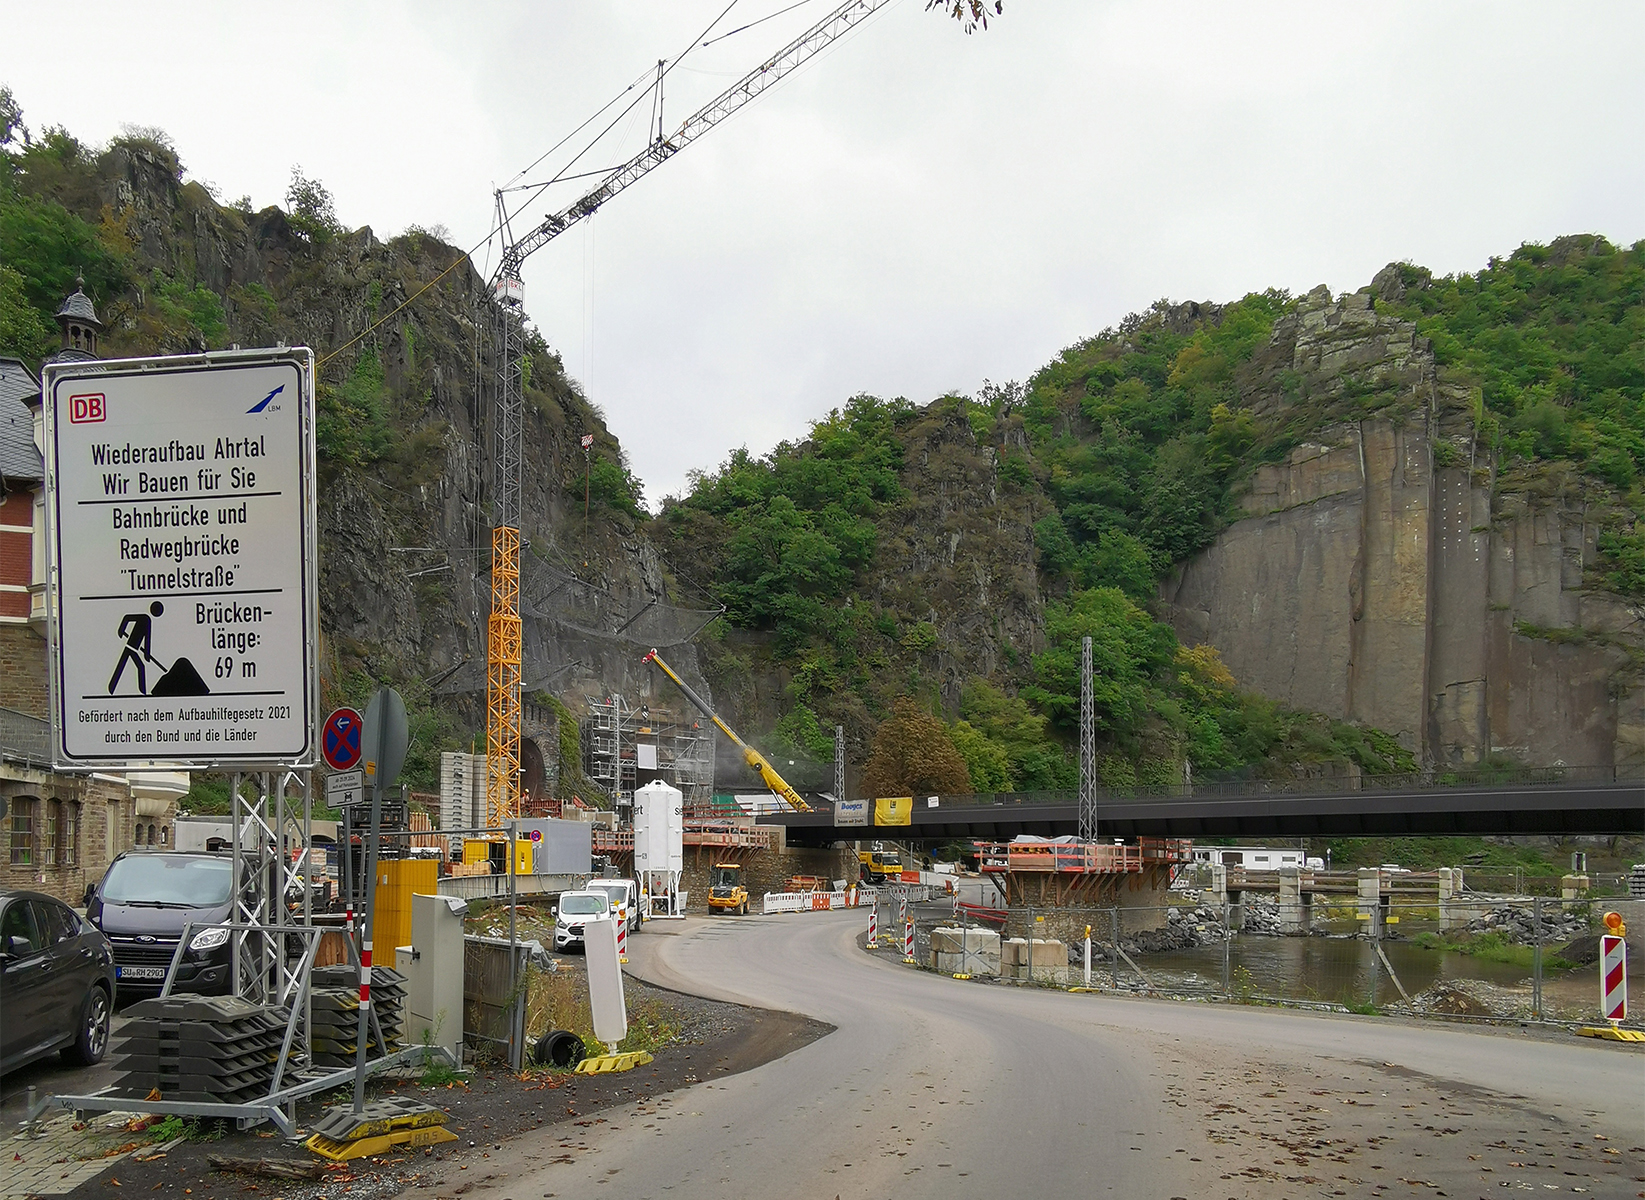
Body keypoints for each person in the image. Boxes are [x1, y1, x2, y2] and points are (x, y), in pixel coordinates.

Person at [108, 601, 164, 694]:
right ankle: (113, 688)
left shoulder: (147, 621)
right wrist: (121, 630)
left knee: (131, 666)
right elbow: (127, 618)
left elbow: (147, 639)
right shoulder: (144, 618)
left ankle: (113, 688)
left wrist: (147, 654)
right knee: (135, 666)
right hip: (130, 647)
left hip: (133, 649)